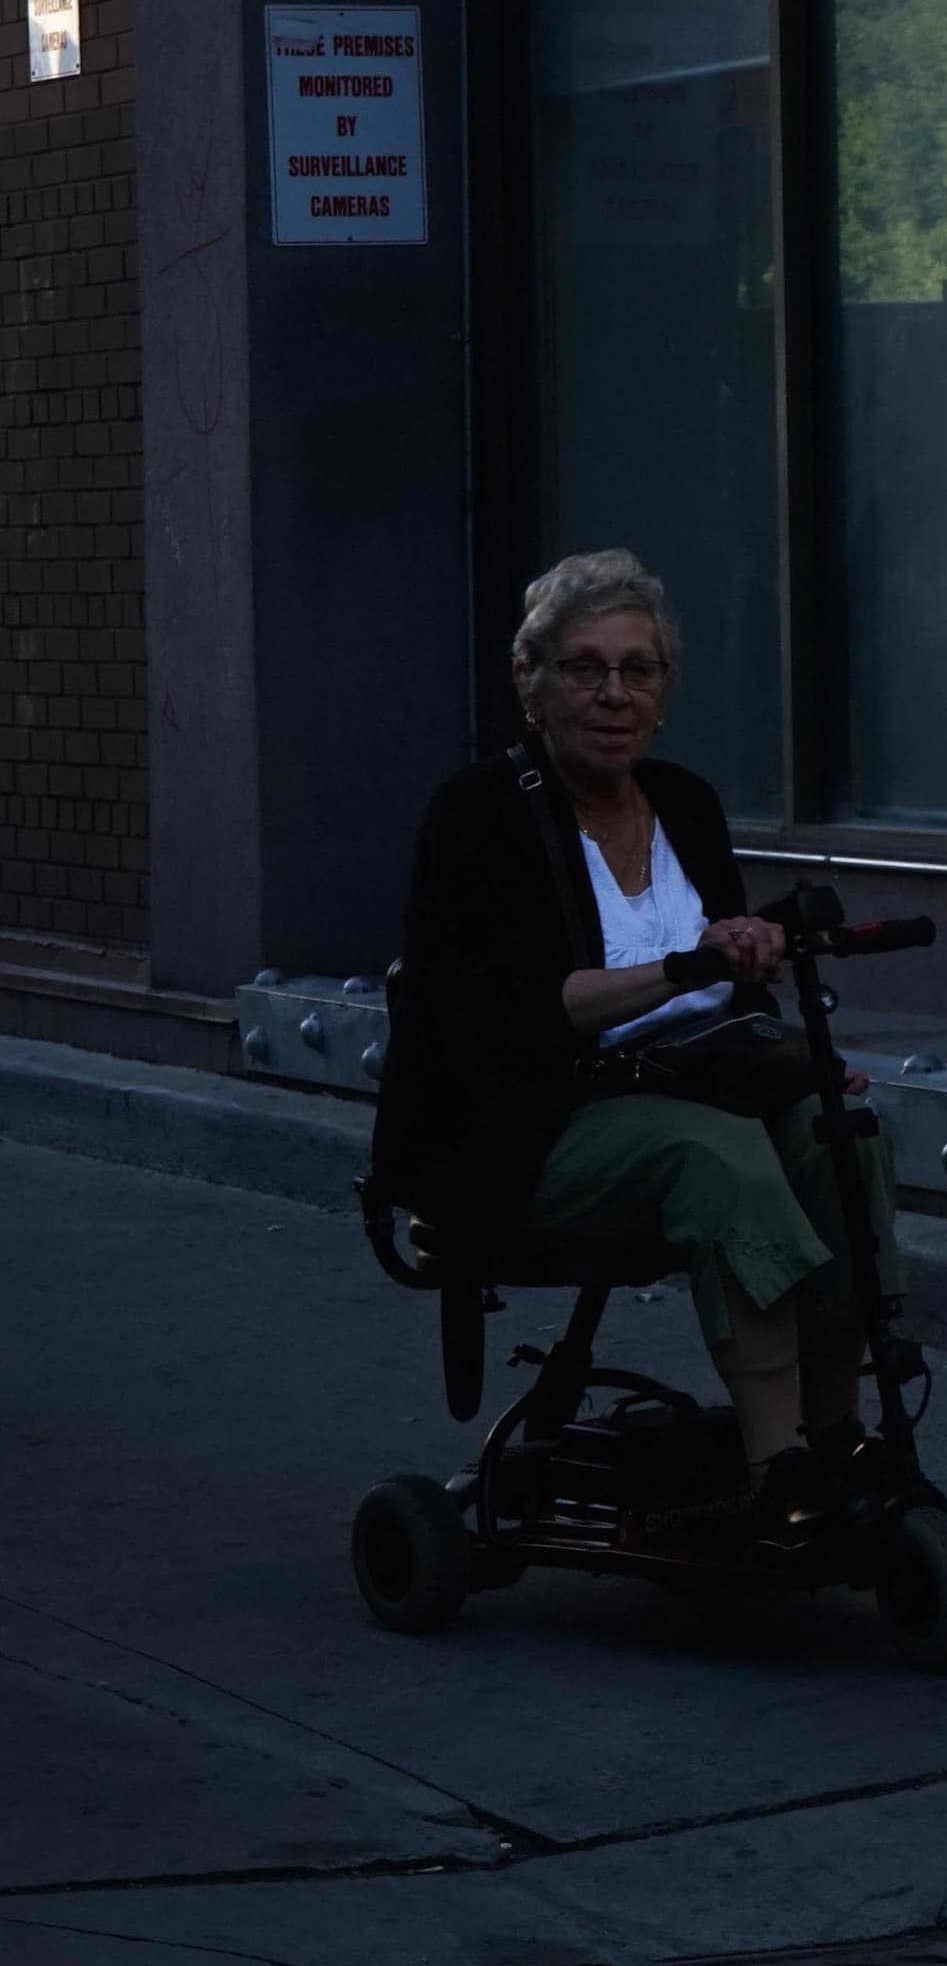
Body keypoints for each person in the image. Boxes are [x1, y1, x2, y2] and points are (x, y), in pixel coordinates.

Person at [375, 550, 896, 1545]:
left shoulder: (684, 801)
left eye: (638, 668)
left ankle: (837, 1433)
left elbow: (728, 989)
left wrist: (763, 994)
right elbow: (509, 1013)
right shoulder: (480, 810)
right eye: (585, 667)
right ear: (532, 685)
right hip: (524, 1123)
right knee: (716, 1156)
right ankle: (776, 1463)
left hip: (680, 1084)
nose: (615, 693)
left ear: (664, 689)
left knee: (843, 1128)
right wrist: (685, 968)